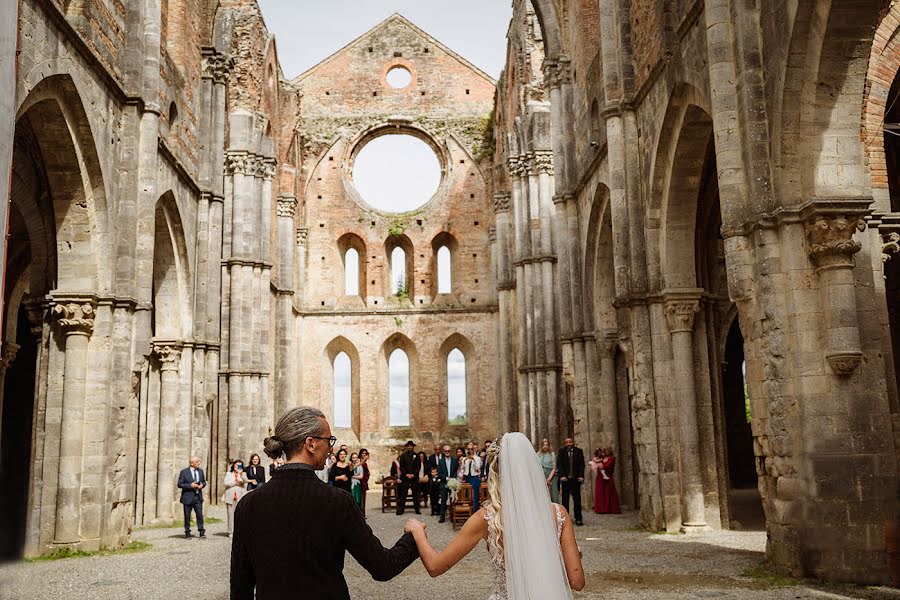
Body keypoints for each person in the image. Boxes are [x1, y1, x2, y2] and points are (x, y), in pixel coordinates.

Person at [231, 406, 419, 598]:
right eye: (329, 440)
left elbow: (240, 587)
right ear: (310, 444)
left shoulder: (248, 504)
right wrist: (414, 537)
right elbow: (383, 567)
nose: (331, 447)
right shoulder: (337, 502)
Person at [403, 433, 585, 598]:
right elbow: (577, 582)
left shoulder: (487, 518)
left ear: (495, 471)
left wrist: (418, 532)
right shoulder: (559, 514)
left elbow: (435, 567)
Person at [176, 456, 207, 539]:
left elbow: (204, 482)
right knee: (187, 516)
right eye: (197, 461)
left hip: (197, 497)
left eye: (199, 461)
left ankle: (201, 532)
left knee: (199, 515)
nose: (199, 463)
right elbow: (179, 484)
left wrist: (202, 485)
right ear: (192, 463)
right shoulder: (184, 472)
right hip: (187, 497)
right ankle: (187, 532)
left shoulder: (200, 471)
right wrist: (190, 485)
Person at [557, 438, 585, 526]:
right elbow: (559, 464)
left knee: (577, 500)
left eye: (570, 442)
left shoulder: (579, 451)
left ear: (573, 443)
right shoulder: (562, 452)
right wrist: (562, 476)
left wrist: (581, 476)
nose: (569, 444)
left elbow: (581, 464)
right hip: (566, 480)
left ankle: (578, 519)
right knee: (565, 500)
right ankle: (565, 519)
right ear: (565, 443)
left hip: (575, 480)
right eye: (567, 442)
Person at [223, 459, 249, 537]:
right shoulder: (229, 473)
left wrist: (240, 475)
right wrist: (234, 482)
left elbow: (246, 481)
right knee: (230, 515)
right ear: (233, 465)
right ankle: (230, 531)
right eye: (236, 465)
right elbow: (225, 483)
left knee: (241, 515)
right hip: (230, 496)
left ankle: (240, 531)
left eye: (239, 465)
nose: (237, 467)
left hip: (240, 496)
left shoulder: (243, 474)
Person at [593, 447, 622, 514]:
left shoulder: (612, 458)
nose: (606, 452)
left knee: (609, 492)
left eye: (607, 451)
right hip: (600, 477)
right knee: (600, 492)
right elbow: (596, 463)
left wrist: (601, 465)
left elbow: (607, 465)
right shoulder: (602, 458)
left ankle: (610, 509)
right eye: (605, 451)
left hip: (608, 476)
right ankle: (601, 509)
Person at [396, 441, 421, 516]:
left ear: (413, 447)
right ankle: (401, 509)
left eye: (411, 446)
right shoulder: (403, 456)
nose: (410, 447)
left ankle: (417, 509)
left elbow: (418, 466)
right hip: (405, 477)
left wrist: (414, 474)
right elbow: (401, 466)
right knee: (403, 494)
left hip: (414, 477)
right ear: (407, 447)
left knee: (415, 494)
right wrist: (406, 474)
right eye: (409, 446)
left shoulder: (416, 456)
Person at [436, 445, 459, 523]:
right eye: (446, 451)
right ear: (443, 452)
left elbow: (456, 471)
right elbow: (439, 473)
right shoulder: (441, 461)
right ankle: (442, 516)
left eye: (449, 451)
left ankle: (453, 516)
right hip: (444, 482)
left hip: (452, 483)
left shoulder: (455, 460)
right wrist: (446, 478)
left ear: (451, 451)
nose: (447, 452)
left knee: (453, 500)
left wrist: (453, 479)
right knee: (443, 500)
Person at [462, 442, 483, 512]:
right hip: (467, 477)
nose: (470, 450)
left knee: (475, 496)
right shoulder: (464, 459)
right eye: (468, 449)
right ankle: (468, 512)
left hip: (475, 477)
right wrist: (464, 461)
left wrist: (473, 460)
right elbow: (463, 469)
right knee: (467, 495)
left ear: (474, 449)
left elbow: (477, 468)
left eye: (471, 449)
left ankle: (475, 511)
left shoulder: (478, 458)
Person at [537, 438, 559, 503]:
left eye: (547, 445)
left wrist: (549, 479)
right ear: (541, 446)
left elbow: (554, 467)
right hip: (541, 475)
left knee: (554, 493)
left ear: (549, 446)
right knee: (543, 493)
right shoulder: (538, 454)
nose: (545, 446)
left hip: (551, 475)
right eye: (543, 445)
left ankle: (555, 510)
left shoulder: (552, 454)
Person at [427, 445, 442, 514]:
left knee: (439, 496)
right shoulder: (431, 457)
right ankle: (433, 510)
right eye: (436, 449)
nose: (437, 451)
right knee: (433, 497)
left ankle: (439, 510)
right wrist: (433, 474)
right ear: (434, 450)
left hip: (441, 477)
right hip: (433, 477)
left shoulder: (444, 457)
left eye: (439, 449)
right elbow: (429, 467)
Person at [359, 448, 371, 513]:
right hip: (359, 481)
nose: (364, 455)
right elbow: (358, 465)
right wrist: (364, 459)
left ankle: (363, 512)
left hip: (364, 481)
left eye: (365, 453)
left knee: (364, 497)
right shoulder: (358, 460)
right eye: (363, 453)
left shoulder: (365, 462)